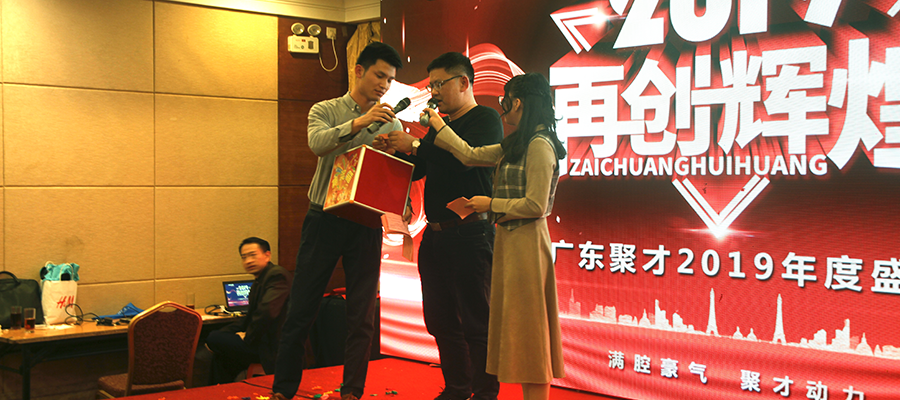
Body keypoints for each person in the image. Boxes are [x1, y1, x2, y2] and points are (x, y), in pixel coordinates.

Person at [271, 41, 404, 400]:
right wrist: (361, 122)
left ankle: (352, 392)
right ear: (359, 71)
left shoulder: (391, 121)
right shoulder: (326, 109)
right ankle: (283, 390)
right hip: (325, 218)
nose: (384, 85)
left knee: (362, 314)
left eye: (390, 80)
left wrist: (393, 150)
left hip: (366, 223)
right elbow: (318, 143)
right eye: (379, 76)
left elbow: (391, 172)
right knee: (302, 307)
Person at [423, 73, 566, 400]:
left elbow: (536, 205)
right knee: (519, 330)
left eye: (505, 101)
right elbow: (469, 155)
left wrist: (491, 204)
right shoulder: (517, 144)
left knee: (531, 334)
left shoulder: (540, 145)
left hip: (528, 244)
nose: (503, 108)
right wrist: (439, 126)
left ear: (518, 103)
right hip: (510, 243)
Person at [387, 52, 502, 400]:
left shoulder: (485, 118)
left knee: (476, 321)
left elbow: (464, 162)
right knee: (439, 320)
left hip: (470, 233)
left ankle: (485, 393)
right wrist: (397, 150)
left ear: (464, 82)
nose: (434, 92)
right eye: (432, 85)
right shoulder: (439, 126)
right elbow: (422, 169)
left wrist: (417, 144)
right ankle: (457, 388)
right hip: (435, 236)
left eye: (440, 83)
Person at [206, 237, 292, 384]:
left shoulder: (277, 275)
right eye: (244, 257)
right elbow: (248, 318)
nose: (248, 261)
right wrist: (227, 333)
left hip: (272, 346)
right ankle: (220, 391)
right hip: (261, 341)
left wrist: (247, 336)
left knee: (214, 339)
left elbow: (267, 312)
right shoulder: (260, 280)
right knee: (220, 350)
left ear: (267, 255)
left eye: (253, 255)